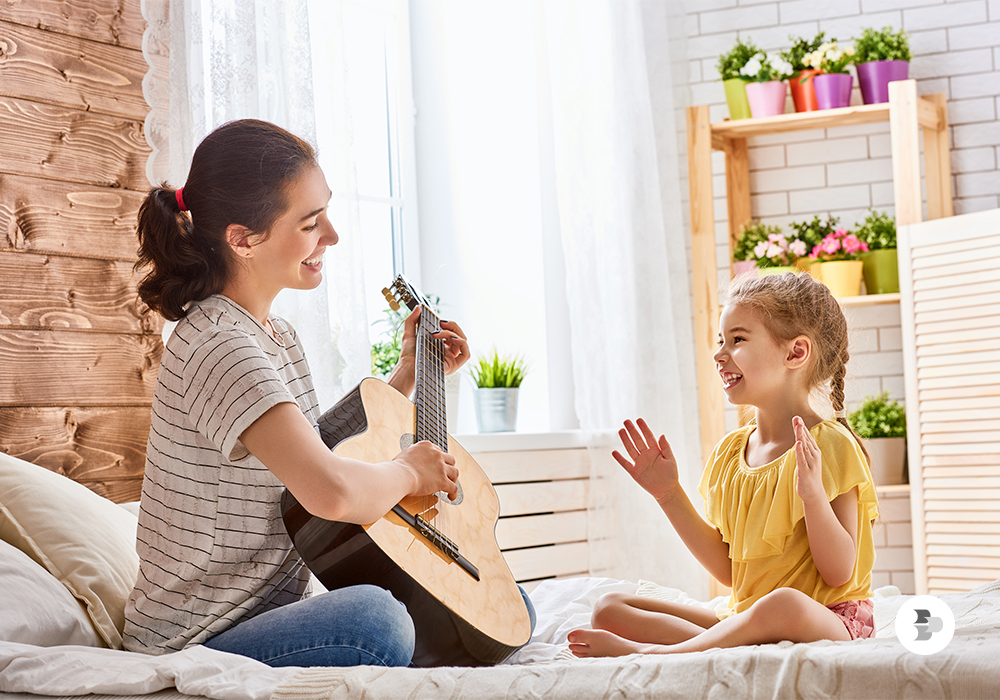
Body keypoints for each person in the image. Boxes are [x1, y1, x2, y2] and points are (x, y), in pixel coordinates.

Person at [124, 118, 495, 667]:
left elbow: (315, 457)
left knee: (495, 607)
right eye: (311, 222)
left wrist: (409, 372)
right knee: (379, 619)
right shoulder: (218, 344)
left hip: (265, 615)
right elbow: (330, 493)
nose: (333, 236)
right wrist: (412, 473)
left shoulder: (275, 335)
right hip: (196, 639)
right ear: (243, 238)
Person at [568, 271, 879, 657]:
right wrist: (668, 494)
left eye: (738, 340)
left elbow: (839, 573)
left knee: (784, 604)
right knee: (609, 609)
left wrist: (813, 496)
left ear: (795, 353)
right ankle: (730, 640)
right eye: (721, 340)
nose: (719, 354)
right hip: (750, 616)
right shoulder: (730, 452)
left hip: (826, 619)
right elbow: (730, 573)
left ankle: (652, 655)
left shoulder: (830, 445)